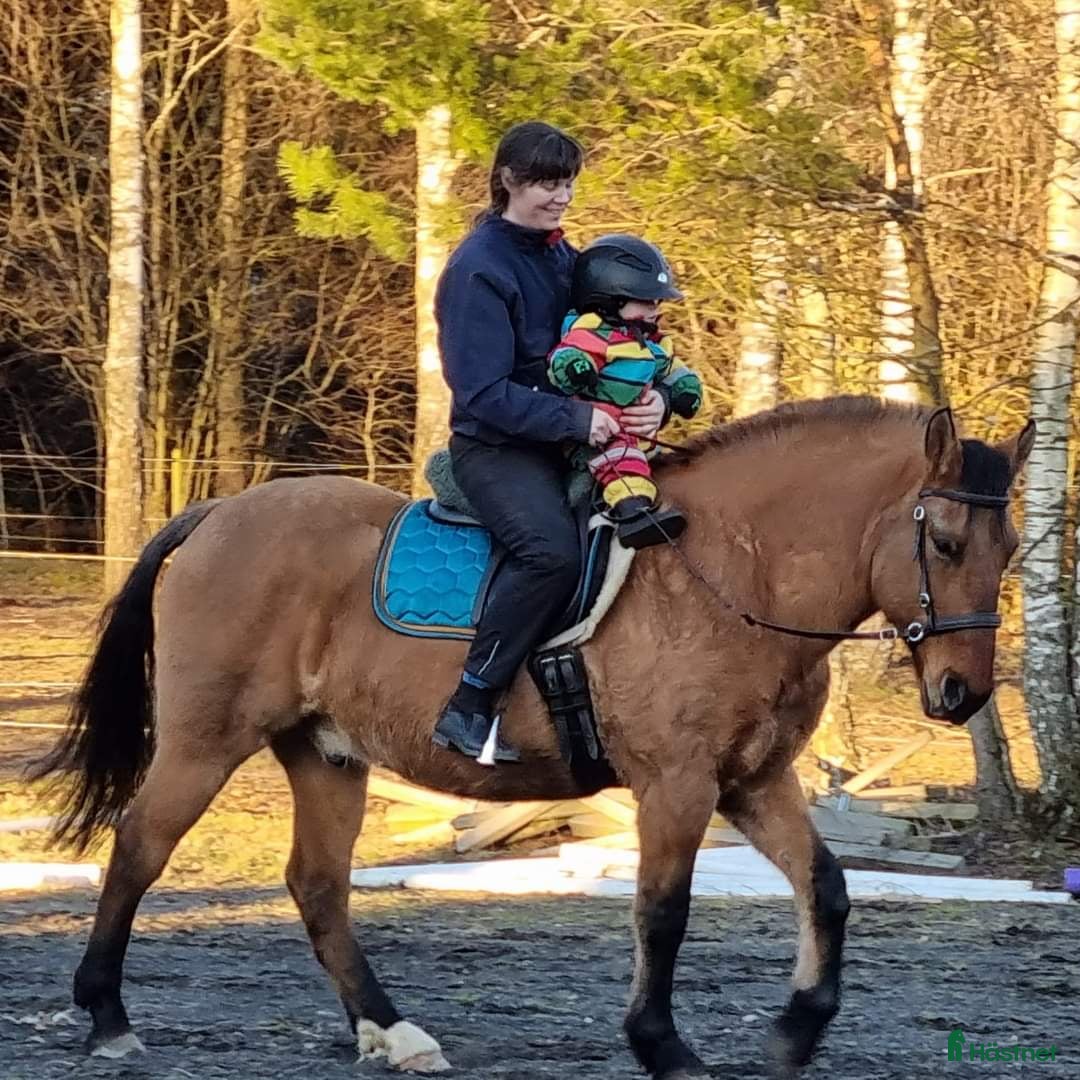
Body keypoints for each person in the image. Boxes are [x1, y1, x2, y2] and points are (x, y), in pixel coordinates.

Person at [431, 121, 667, 765]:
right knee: (551, 554)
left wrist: (653, 402)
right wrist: (576, 420)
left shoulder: (567, 259)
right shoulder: (476, 271)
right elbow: (479, 393)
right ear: (507, 179)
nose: (560, 196)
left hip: (577, 439)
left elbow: (622, 344)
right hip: (497, 449)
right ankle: (471, 703)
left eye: (566, 182)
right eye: (544, 183)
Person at [548, 235, 702, 548]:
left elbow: (673, 371)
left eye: (658, 301)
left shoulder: (654, 343)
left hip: (640, 435)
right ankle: (634, 513)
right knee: (622, 458)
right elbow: (565, 359)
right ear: (610, 299)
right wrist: (577, 369)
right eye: (646, 300)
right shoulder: (591, 334)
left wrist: (676, 394)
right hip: (600, 434)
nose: (655, 308)